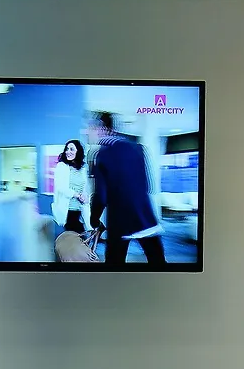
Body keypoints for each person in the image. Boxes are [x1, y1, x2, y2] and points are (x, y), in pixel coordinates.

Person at [82, 111, 165, 266]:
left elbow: (101, 196)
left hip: (120, 223)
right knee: (159, 263)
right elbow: (150, 187)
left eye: (90, 128)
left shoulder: (102, 154)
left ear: (102, 128)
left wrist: (94, 219)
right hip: (146, 218)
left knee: (114, 267)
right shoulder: (138, 148)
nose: (87, 132)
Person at [52, 139, 90, 234]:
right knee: (76, 237)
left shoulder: (83, 168)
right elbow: (60, 187)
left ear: (78, 151)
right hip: (68, 210)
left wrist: (85, 196)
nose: (68, 152)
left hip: (81, 209)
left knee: (84, 235)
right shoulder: (62, 166)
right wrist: (77, 195)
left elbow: (85, 186)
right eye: (67, 149)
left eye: (72, 149)